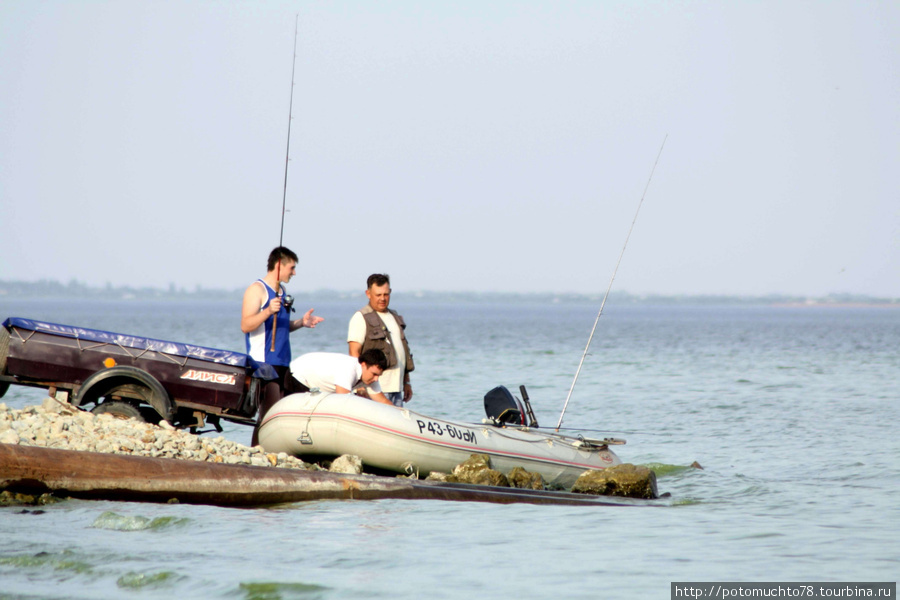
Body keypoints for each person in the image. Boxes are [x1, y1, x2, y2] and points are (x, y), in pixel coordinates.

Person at [241, 246, 323, 444]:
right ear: (279, 265)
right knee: (268, 415)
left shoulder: (283, 291)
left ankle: (278, 451)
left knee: (286, 413)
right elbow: (246, 325)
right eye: (291, 268)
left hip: (283, 362)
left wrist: (301, 323)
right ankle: (256, 453)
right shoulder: (257, 290)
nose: (294, 272)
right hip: (263, 364)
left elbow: (281, 328)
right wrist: (268, 311)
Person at [347, 273, 414, 407]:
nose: (382, 299)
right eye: (378, 295)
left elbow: (404, 353)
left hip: (397, 389)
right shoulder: (361, 317)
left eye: (386, 294)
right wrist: (359, 385)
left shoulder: (395, 317)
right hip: (375, 390)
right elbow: (354, 353)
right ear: (368, 293)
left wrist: (406, 382)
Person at [290, 349, 394, 406]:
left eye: (378, 375)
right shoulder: (349, 369)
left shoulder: (370, 377)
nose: (376, 379)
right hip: (298, 377)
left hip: (315, 386)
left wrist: (400, 413)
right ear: (363, 364)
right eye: (374, 374)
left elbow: (383, 401)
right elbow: (343, 401)